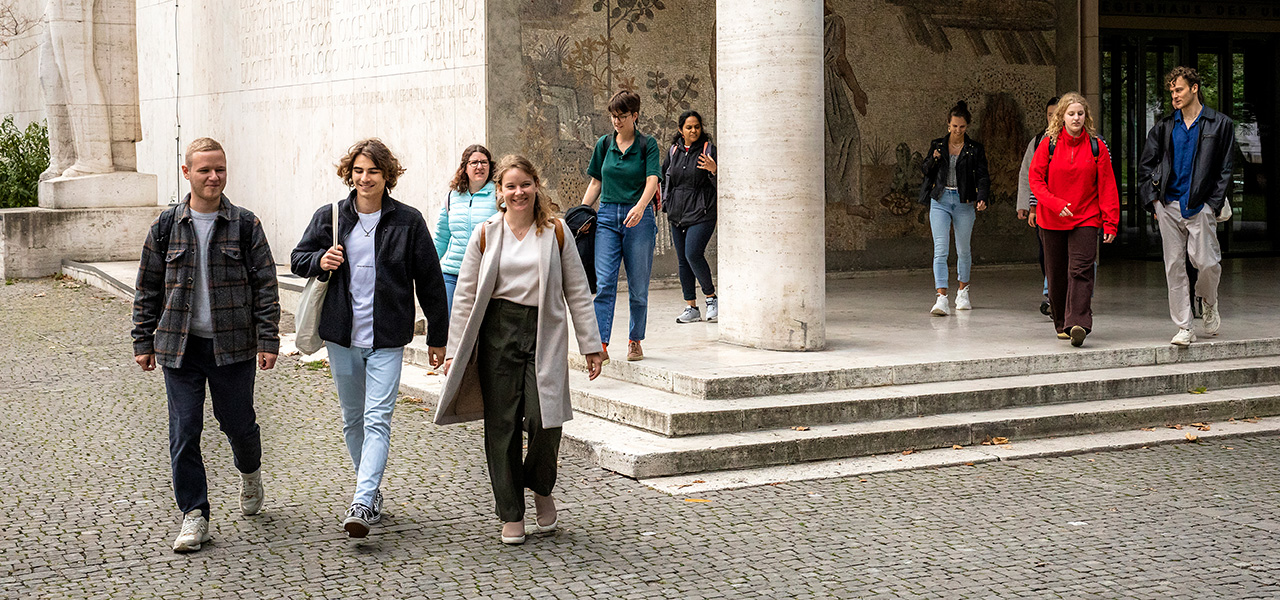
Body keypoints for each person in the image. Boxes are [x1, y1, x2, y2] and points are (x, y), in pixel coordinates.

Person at [435, 155, 605, 545]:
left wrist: (591, 345)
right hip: (496, 331)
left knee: (547, 418)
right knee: (502, 424)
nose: (518, 192)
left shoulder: (556, 232)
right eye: (510, 186)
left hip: (543, 331)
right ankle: (511, 512)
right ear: (499, 192)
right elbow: (463, 297)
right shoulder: (485, 233)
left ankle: (541, 485)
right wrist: (452, 351)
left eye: (525, 184)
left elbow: (577, 291)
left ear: (536, 186)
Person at [290, 138, 448, 538]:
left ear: (387, 176)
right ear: (349, 173)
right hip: (342, 335)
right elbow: (297, 258)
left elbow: (430, 281)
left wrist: (438, 336)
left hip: (387, 337)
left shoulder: (408, 221)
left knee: (377, 419)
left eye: (373, 172)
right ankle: (371, 490)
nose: (364, 178)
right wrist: (319, 260)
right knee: (352, 420)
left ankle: (362, 501)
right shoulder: (331, 217)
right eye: (358, 171)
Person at [131, 137, 280, 553]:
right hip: (180, 347)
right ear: (187, 173)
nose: (214, 177)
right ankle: (194, 514)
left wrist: (268, 337)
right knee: (184, 430)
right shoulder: (165, 226)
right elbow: (147, 288)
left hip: (233, 346)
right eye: (204, 170)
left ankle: (250, 472)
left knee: (238, 424)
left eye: (220, 169)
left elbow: (266, 286)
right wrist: (143, 340)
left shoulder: (245, 224)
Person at [1138, 66, 1236, 347]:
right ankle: (1184, 327)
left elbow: (1225, 169)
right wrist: (1154, 202)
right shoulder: (1165, 126)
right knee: (1174, 266)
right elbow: (1146, 166)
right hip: (1168, 204)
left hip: (1200, 205)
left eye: (1178, 89)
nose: (1174, 96)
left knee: (1206, 263)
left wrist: (1212, 204)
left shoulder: (1220, 124)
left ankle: (1209, 300)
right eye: (1171, 91)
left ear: (1194, 88)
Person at [1029, 92, 1120, 347]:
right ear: (1062, 117)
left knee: (1081, 269)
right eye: (1071, 114)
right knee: (1056, 272)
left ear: (1086, 116)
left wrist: (1110, 221)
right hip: (1052, 218)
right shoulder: (1048, 144)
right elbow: (1035, 179)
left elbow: (1107, 185)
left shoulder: (1096, 146)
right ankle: (1061, 322)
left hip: (1086, 217)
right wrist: (1055, 204)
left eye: (1080, 113)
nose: (1076, 118)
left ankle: (1078, 322)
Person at [581, 90, 661, 362]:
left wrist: (640, 207)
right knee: (604, 284)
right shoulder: (604, 144)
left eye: (622, 116)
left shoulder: (647, 145)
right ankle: (600, 344)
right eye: (614, 116)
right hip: (607, 217)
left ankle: (635, 340)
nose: (617, 121)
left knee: (638, 287)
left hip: (638, 218)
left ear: (634, 116)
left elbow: (652, 180)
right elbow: (595, 183)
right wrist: (581, 213)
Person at [919, 100, 990, 316]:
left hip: (964, 200)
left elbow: (983, 175)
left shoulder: (974, 149)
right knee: (940, 250)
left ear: (967, 127)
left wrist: (982, 197)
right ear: (948, 124)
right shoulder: (938, 145)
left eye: (962, 127)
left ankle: (963, 291)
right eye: (954, 126)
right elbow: (925, 169)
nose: (958, 130)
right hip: (940, 200)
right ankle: (941, 297)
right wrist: (934, 159)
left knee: (963, 249)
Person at [661, 110, 719, 324]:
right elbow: (665, 177)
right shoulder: (674, 151)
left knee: (693, 253)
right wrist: (666, 202)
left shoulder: (708, 150)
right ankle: (691, 307)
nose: (694, 130)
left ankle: (711, 298)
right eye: (689, 127)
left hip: (702, 212)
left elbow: (723, 184)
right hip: (677, 213)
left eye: (697, 126)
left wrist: (714, 170)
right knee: (683, 260)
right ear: (680, 130)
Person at [436, 144, 499, 315]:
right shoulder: (451, 197)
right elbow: (441, 237)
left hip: (485, 274)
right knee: (448, 325)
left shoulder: (499, 196)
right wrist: (430, 268)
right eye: (474, 163)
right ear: (464, 167)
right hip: (452, 273)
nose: (480, 167)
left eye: (484, 162)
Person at [1018, 96, 1060, 315]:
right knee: (1046, 253)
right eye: (1049, 115)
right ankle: (1052, 293)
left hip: (1072, 209)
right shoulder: (1039, 141)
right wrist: (1026, 205)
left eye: (1056, 114)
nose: (1053, 118)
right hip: (1044, 207)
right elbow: (1029, 174)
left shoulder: (1083, 140)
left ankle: (1063, 297)